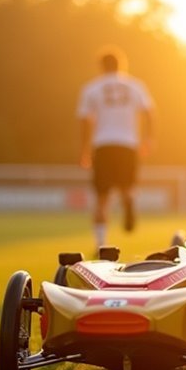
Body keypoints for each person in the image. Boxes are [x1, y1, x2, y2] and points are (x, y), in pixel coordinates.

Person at [77, 46, 155, 248]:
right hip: (128, 144)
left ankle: (101, 244)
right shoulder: (136, 86)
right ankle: (128, 199)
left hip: (103, 145)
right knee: (128, 187)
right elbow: (149, 112)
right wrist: (148, 139)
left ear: (101, 67)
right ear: (123, 65)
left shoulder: (92, 88)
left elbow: (85, 121)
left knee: (102, 198)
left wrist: (85, 149)